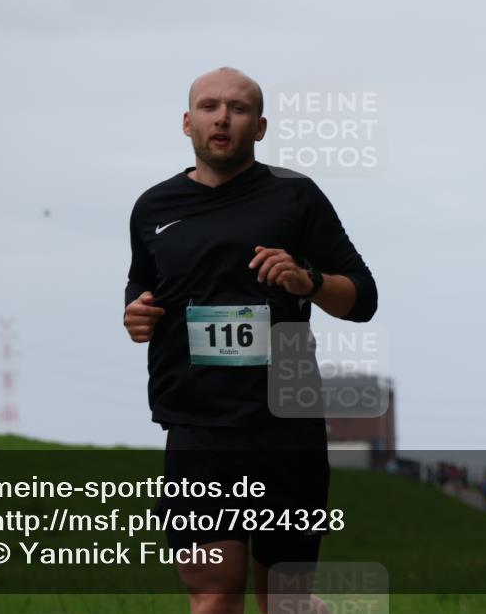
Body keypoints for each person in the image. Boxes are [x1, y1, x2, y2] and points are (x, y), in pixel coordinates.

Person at [123, 67, 378, 614]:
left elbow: (363, 297)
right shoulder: (153, 208)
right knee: (214, 594)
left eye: (238, 109)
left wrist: (307, 280)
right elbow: (141, 284)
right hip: (197, 426)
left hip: (286, 428)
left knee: (283, 601)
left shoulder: (295, 197)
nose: (222, 117)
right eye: (210, 106)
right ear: (187, 122)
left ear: (259, 127)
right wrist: (136, 312)